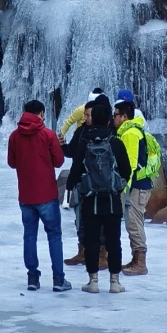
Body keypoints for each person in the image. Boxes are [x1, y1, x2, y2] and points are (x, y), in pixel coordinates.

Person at [7, 99, 72, 292]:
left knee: (29, 236)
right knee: (54, 235)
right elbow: (59, 162)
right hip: (47, 195)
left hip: (26, 196)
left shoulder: (14, 136)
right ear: (42, 113)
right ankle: (58, 280)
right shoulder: (48, 135)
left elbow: (12, 163)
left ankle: (32, 278)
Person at [67, 95, 131, 294]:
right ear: (109, 121)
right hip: (112, 200)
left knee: (92, 241)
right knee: (114, 241)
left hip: (90, 200)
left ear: (92, 119)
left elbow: (75, 170)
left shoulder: (84, 142)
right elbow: (127, 170)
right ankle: (114, 282)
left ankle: (93, 281)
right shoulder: (116, 142)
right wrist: (118, 186)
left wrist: (75, 187)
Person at [62, 102, 107, 268]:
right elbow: (72, 153)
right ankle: (82, 251)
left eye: (89, 115)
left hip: (101, 185)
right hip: (82, 182)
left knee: (100, 220)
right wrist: (62, 145)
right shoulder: (81, 131)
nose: (86, 118)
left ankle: (102, 254)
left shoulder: (107, 135)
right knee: (80, 217)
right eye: (85, 115)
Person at [113, 92, 153, 276]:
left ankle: (140, 262)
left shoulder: (130, 134)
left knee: (134, 223)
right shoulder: (132, 131)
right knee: (133, 222)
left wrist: (124, 188)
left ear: (124, 117)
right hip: (138, 185)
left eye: (115, 115)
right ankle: (135, 258)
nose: (113, 118)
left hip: (135, 186)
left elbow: (129, 164)